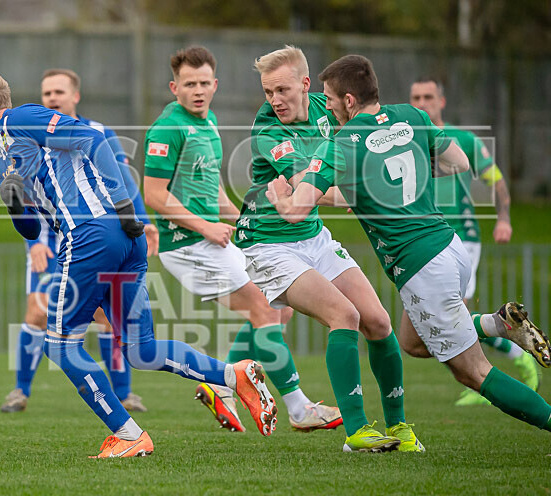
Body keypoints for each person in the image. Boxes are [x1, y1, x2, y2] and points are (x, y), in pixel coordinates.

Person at [0, 67, 278, 458]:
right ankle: (233, 375)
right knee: (141, 349)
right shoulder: (1, 159)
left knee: (60, 346)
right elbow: (32, 230)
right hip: (118, 241)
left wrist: (122, 202)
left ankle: (129, 434)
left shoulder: (19, 118)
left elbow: (92, 137)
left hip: (91, 234)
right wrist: (14, 201)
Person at [269, 54, 551, 444]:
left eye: (331, 100)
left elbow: (299, 210)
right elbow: (458, 162)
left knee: (473, 371)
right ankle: (496, 324)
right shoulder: (413, 116)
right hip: (451, 248)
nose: (328, 107)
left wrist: (282, 200)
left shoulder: (342, 143)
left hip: (421, 265)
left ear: (349, 101)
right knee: (412, 341)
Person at [143, 45, 340, 434]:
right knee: (266, 311)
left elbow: (211, 188)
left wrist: (241, 218)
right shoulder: (168, 127)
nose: (198, 91)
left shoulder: (208, 122)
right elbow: (154, 195)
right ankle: (299, 408)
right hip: (186, 244)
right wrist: (205, 227)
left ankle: (221, 384)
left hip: (210, 238)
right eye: (189, 84)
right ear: (174, 87)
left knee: (277, 309)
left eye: (204, 83)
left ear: (215, 84)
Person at [233, 45, 421, 453]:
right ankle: (356, 432)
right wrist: (369, 190)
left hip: (312, 236)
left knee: (378, 321)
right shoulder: (269, 129)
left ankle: (400, 427)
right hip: (268, 243)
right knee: (345, 315)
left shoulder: (327, 106)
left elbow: (368, 130)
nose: (274, 100)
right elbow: (309, 189)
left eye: (282, 90)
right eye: (268, 92)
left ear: (305, 84)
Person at [0, 68, 154, 414]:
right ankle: (20, 391)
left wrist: (142, 222)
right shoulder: (29, 138)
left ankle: (125, 394)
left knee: (104, 315)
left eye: (59, 92)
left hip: (94, 234)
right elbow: (25, 197)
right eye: (47, 93)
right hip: (49, 240)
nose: (52, 98)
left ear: (76, 96)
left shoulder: (99, 133)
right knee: (38, 311)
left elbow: (124, 183)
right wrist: (34, 244)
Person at [409, 77, 539, 406]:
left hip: (461, 239)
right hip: (424, 240)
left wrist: (505, 217)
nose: (422, 102)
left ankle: (494, 370)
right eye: (415, 97)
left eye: (428, 96)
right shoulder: (405, 142)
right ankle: (507, 341)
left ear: (442, 101)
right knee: (425, 334)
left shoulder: (462, 140)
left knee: (455, 316)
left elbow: (495, 180)